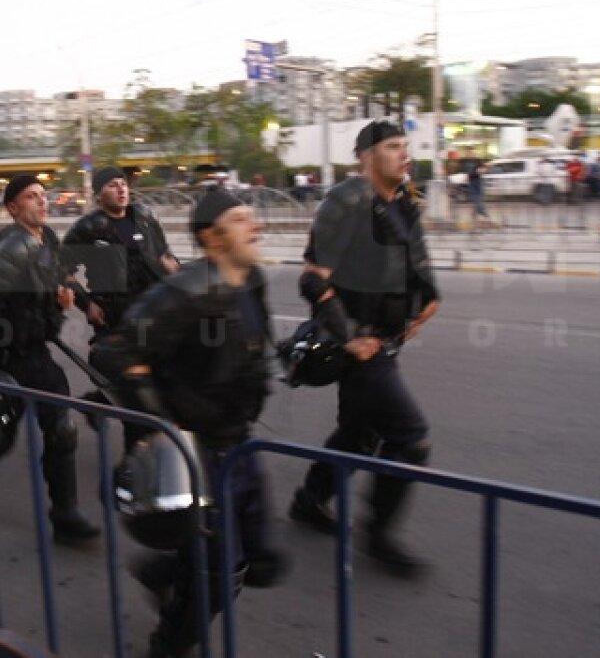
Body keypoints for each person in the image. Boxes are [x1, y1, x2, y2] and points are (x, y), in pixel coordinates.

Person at [108, 188, 286, 657]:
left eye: (253, 215)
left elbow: (255, 349)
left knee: (263, 559)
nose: (255, 225)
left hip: (241, 445)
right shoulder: (186, 290)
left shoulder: (252, 281)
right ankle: (167, 647)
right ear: (212, 236)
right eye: (241, 217)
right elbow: (119, 350)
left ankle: (161, 572)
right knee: (221, 575)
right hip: (199, 454)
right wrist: (164, 428)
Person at [287, 119, 441, 575]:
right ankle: (380, 535)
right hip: (360, 346)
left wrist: (427, 302)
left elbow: (413, 265)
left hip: (388, 339)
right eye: (393, 146)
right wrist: (351, 337)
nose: (404, 154)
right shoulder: (347, 201)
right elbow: (314, 278)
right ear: (366, 156)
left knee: (358, 431)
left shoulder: (402, 203)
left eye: (405, 146)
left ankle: (310, 500)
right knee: (411, 438)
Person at [0, 175, 100, 545]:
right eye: (31, 197)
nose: (42, 202)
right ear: (13, 208)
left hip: (36, 355)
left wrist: (83, 303)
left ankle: (65, 515)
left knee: (62, 429)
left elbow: (62, 280)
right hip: (4, 360)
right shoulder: (11, 250)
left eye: (43, 196)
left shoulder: (46, 241)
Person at [62, 166, 178, 446]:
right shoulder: (88, 228)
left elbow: (164, 251)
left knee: (152, 380)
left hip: (153, 313)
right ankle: (133, 465)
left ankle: (98, 403)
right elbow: (61, 269)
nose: (121, 189)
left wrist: (172, 266)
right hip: (115, 315)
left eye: (123, 184)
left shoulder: (145, 217)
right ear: (99, 194)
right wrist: (86, 303)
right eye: (112, 185)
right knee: (136, 390)